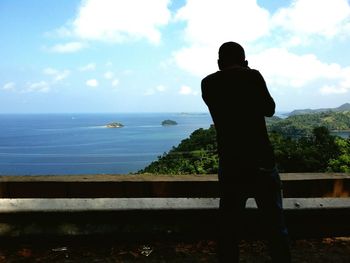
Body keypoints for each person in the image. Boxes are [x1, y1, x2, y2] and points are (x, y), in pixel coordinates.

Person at [201, 41, 291, 263]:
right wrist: (249, 71)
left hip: (231, 164)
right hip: (261, 162)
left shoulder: (208, 83)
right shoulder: (252, 76)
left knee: (229, 228)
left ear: (219, 63)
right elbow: (269, 110)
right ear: (244, 61)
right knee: (275, 226)